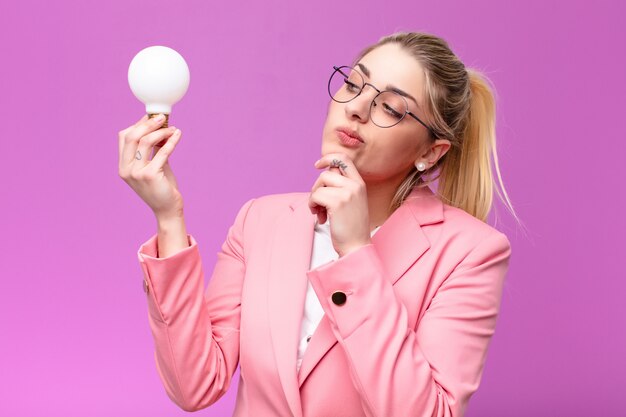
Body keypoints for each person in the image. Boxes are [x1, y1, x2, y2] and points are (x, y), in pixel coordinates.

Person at [118, 31, 518, 417]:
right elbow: (194, 385)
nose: (356, 108)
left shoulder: (472, 252)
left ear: (431, 153)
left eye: (392, 108)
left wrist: (357, 252)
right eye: (353, 85)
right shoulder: (260, 220)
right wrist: (169, 217)